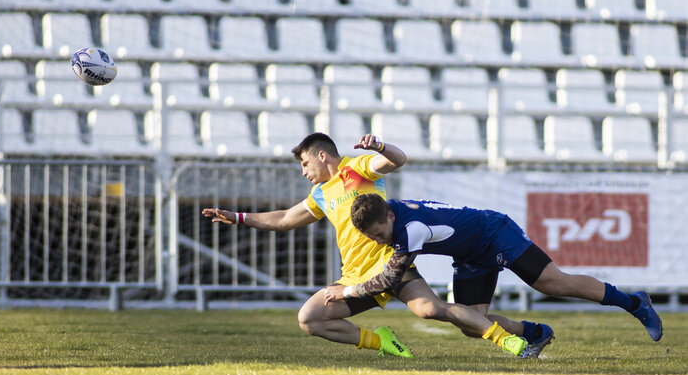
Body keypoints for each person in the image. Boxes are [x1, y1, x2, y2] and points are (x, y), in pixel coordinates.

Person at [203, 133, 537, 359]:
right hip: (354, 277)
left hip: (391, 263)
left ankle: (504, 339)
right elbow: (285, 219)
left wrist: (379, 146)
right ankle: (382, 342)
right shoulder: (320, 194)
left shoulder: (356, 168)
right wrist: (239, 217)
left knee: (431, 310)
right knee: (310, 319)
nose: (304, 171)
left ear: (322, 155)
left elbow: (397, 159)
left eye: (305, 163)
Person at [324, 194, 664, 349]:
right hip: (471, 254)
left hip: (493, 233)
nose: (379, 241)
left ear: (389, 219)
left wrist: (348, 291)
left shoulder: (408, 228)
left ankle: (635, 303)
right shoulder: (391, 210)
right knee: (472, 323)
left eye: (379, 235)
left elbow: (390, 279)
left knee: (554, 284)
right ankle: (534, 333)